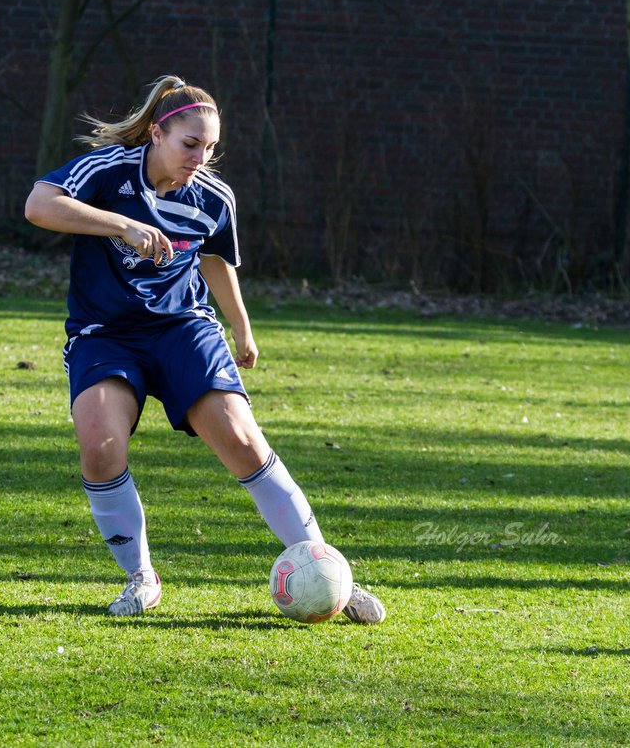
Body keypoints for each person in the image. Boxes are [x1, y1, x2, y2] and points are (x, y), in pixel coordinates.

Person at [23, 75, 386, 622]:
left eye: (210, 147)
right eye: (190, 144)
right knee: (99, 446)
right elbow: (38, 205)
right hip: (105, 333)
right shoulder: (108, 171)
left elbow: (215, 259)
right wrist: (121, 225)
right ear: (155, 134)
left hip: (184, 329)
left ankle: (328, 570)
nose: (200, 157)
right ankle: (140, 578)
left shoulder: (214, 196)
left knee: (242, 440)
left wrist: (241, 327)